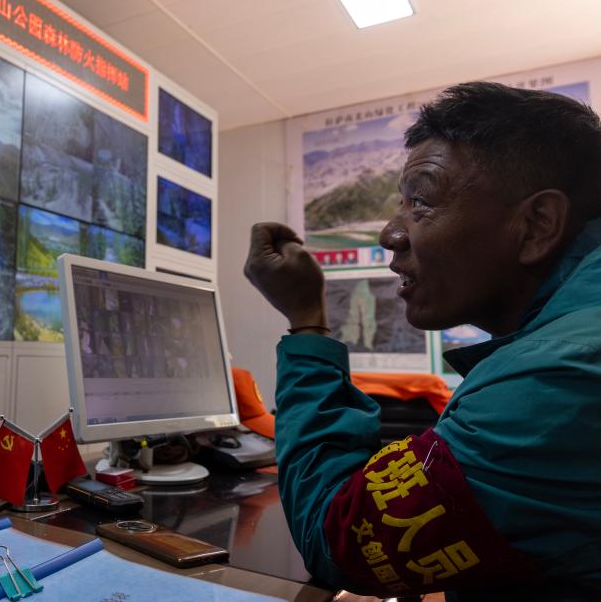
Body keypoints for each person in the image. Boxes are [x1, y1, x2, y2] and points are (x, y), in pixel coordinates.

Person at [243, 82, 601, 600]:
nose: (390, 234)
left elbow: (338, 537)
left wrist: (306, 320)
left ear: (536, 225)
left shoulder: (560, 375)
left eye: (421, 201)